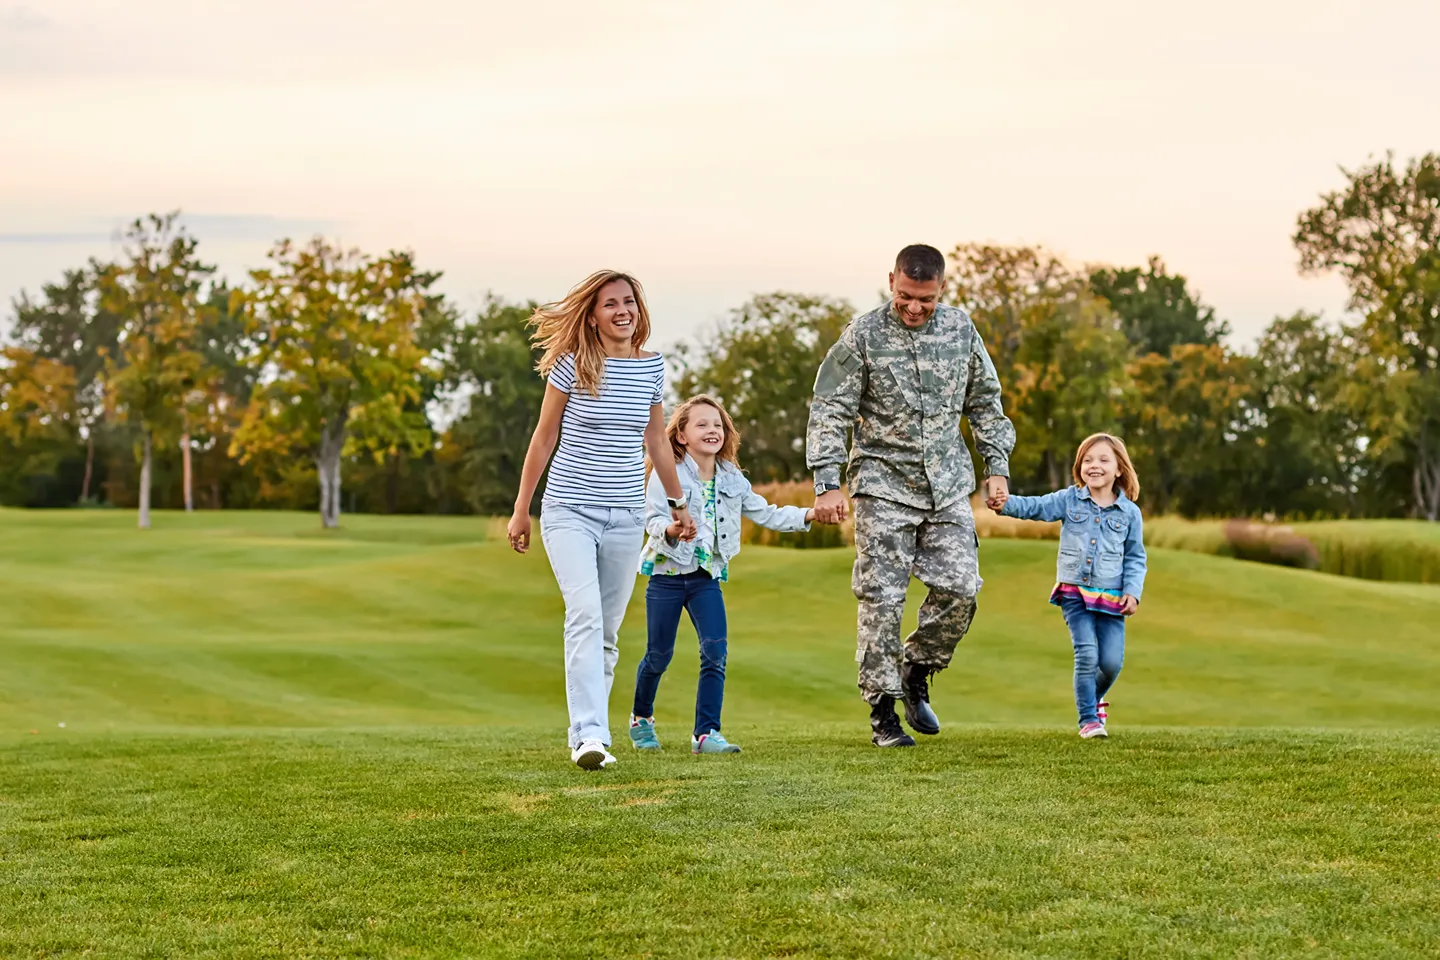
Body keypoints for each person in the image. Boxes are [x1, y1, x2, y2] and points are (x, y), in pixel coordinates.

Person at [806, 244, 1016, 748]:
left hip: (945, 484)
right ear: (892, 281)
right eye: (904, 296)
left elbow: (986, 403)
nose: (914, 307)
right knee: (882, 599)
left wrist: (997, 469)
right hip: (882, 482)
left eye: (924, 298)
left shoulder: (961, 330)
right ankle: (882, 713)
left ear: (941, 288)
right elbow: (830, 408)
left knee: (962, 589)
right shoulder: (863, 335)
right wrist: (826, 480)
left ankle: (916, 668)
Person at [507, 270, 696, 771]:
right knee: (585, 615)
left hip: (627, 515)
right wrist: (522, 507)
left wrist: (678, 507)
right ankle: (588, 737)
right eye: (610, 303)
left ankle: (592, 733)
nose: (622, 311)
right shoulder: (572, 367)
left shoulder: (652, 367)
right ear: (592, 314)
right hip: (569, 510)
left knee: (608, 632)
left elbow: (657, 442)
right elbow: (543, 439)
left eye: (629, 301)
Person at [629, 395, 823, 755]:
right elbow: (651, 519)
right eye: (701, 424)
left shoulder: (732, 477)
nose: (712, 430)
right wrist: (670, 531)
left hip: (706, 577)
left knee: (715, 651)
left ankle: (705, 734)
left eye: (717, 424)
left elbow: (766, 513)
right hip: (668, 575)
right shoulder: (666, 471)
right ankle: (641, 719)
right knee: (659, 655)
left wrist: (809, 515)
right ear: (682, 435)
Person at [990, 433, 1147, 738]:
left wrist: (1133, 592)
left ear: (1119, 469)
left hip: (1112, 597)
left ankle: (1094, 698)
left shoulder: (1130, 514)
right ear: (1079, 467)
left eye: (1103, 460)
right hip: (1074, 593)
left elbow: (1136, 557)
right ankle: (1088, 720)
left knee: (1111, 663)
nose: (1094, 466)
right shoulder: (1069, 500)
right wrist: (1004, 504)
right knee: (1087, 654)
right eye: (1087, 460)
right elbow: (1034, 507)